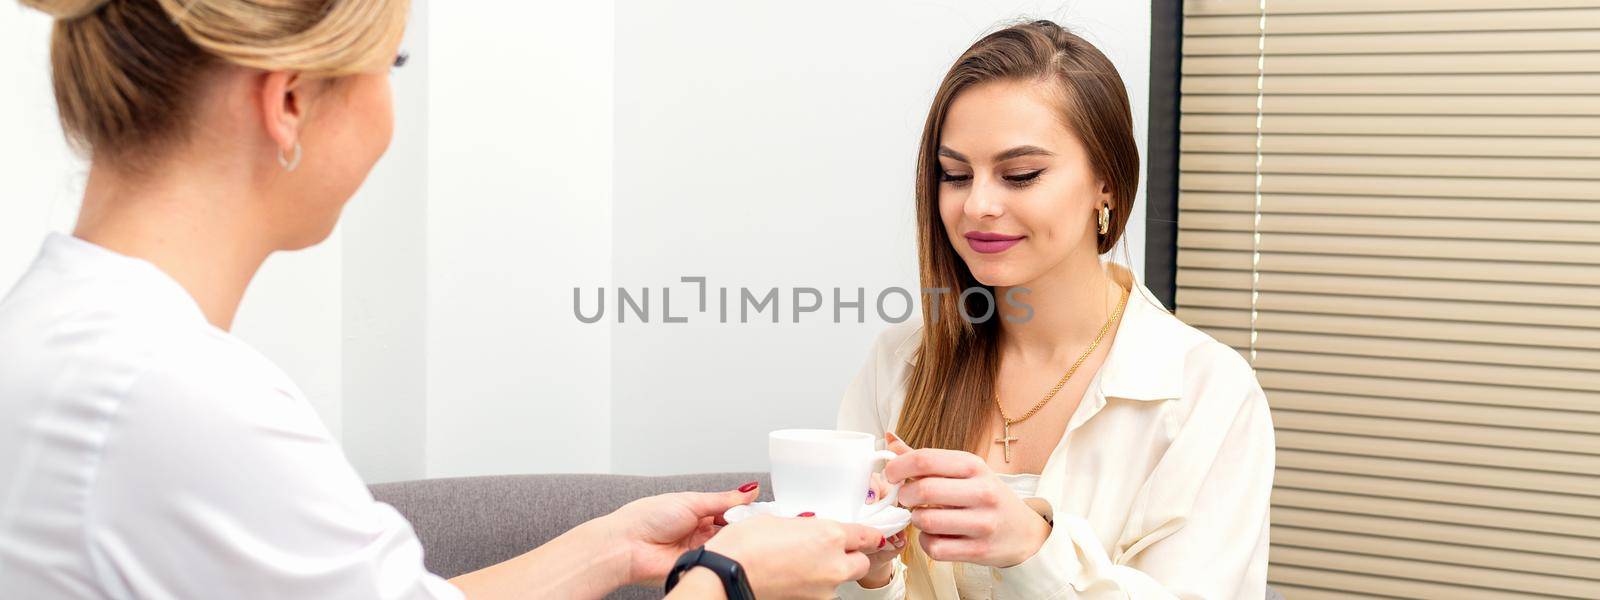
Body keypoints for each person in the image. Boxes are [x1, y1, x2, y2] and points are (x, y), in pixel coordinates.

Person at [0, 0, 882, 598]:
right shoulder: (173, 398)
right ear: (292, 100)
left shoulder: (67, 338)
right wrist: (724, 580)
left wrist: (608, 548)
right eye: (393, 62)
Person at [836, 21, 1275, 599]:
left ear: (1107, 185)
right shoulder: (901, 362)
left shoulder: (1207, 393)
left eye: (1021, 175)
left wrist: (1033, 549)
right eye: (955, 175)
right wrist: (868, 575)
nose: (978, 205)